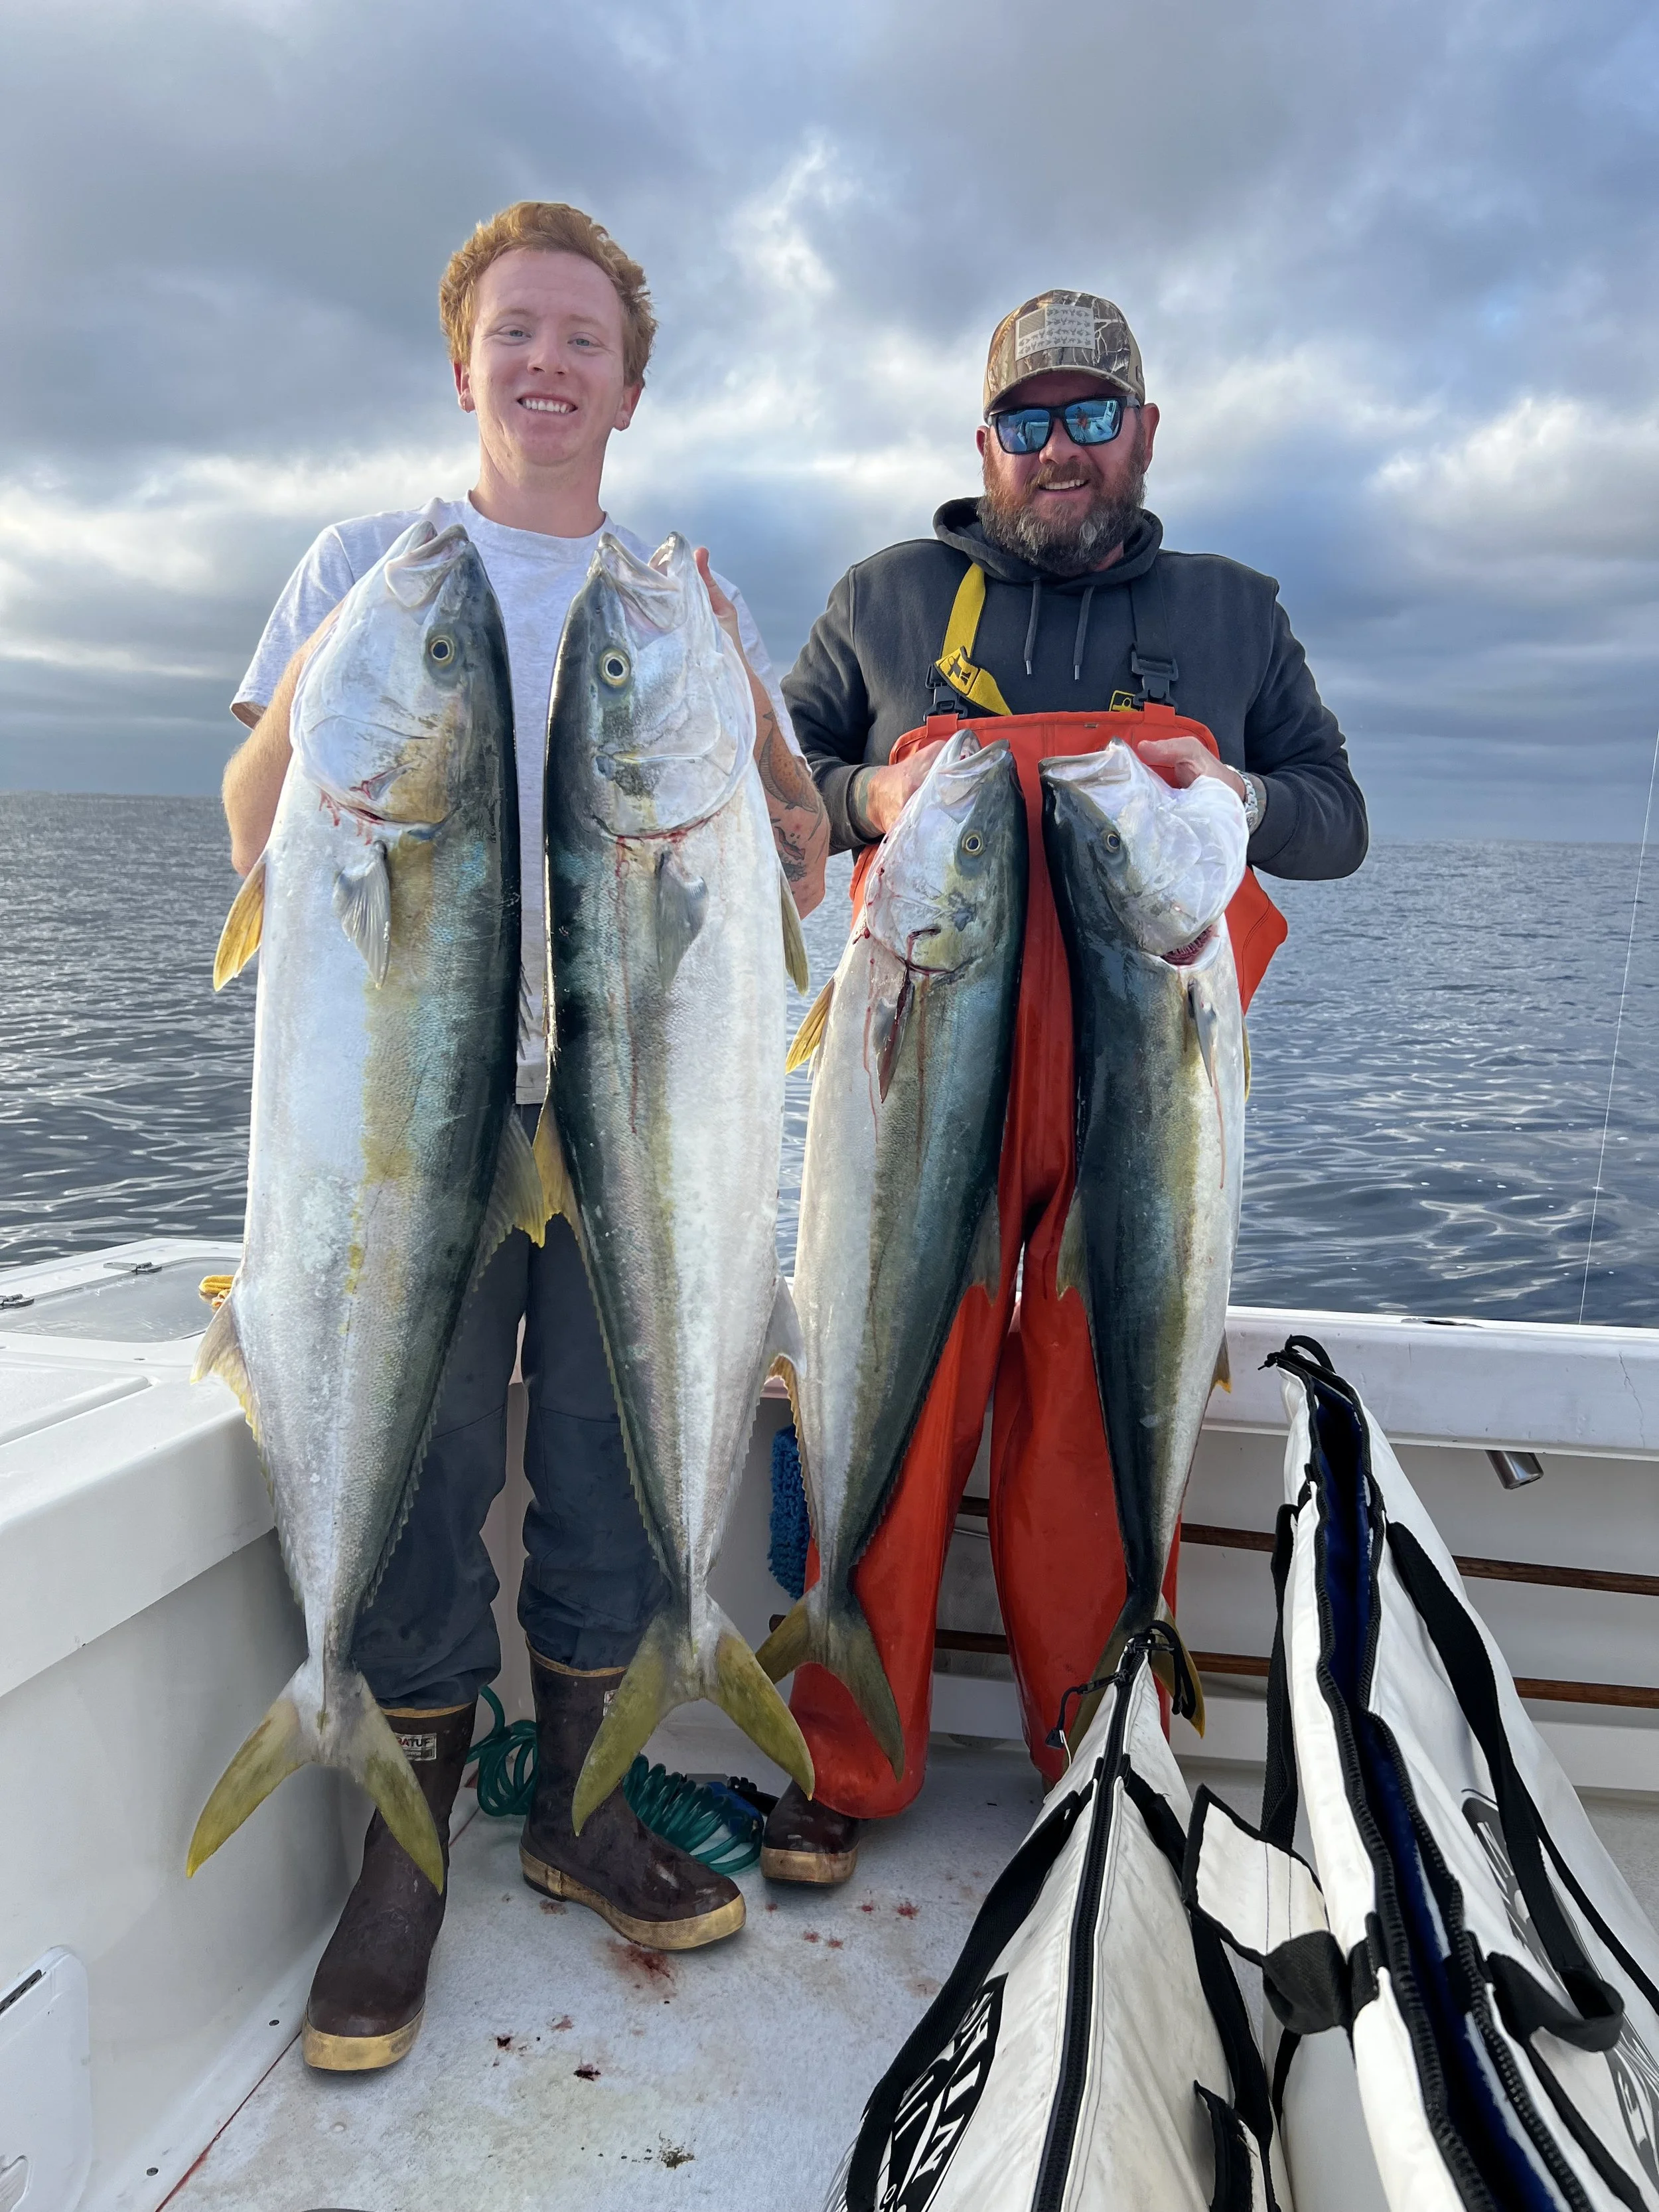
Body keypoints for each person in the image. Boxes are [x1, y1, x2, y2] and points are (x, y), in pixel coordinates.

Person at [222, 200, 830, 2073]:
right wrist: (323, 688)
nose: (545, 361)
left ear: (629, 387)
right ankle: (401, 1841)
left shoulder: (679, 596)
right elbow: (251, 822)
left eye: (582, 337)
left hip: (635, 1100)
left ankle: (577, 1801)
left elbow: (793, 847)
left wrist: (775, 769)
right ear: (461, 363)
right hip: (411, 1103)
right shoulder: (365, 569)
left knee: (606, 1448)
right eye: (513, 331)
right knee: (409, 1457)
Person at [765, 289, 1366, 1883]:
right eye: (1024, 421)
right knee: (891, 1388)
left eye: (1088, 415)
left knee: (1092, 1432)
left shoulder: (1233, 614)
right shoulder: (884, 599)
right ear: (983, 443)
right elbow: (772, 778)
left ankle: (1099, 1752)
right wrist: (867, 791)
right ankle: (845, 1754)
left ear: (1141, 432)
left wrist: (1234, 790)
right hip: (923, 1085)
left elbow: (1334, 817)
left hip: (1134, 1091)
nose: (1057, 449)